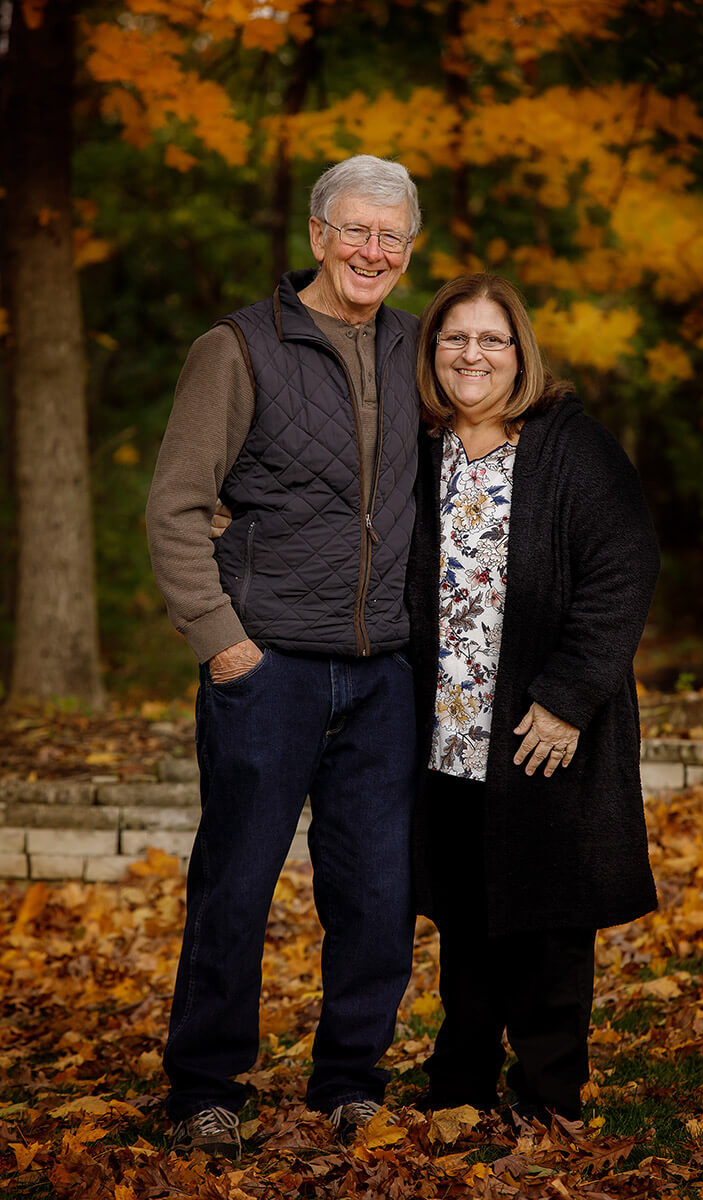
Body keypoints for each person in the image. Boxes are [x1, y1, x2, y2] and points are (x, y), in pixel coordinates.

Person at [146, 155, 422, 1157]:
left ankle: (350, 1079)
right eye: (354, 230)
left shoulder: (415, 349)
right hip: (267, 672)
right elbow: (177, 506)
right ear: (315, 235)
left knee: (376, 891)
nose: (370, 251)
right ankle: (205, 1087)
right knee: (236, 881)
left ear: (409, 250)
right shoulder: (236, 349)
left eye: (390, 236)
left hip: (382, 675)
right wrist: (224, 648)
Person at [405, 274, 660, 1126]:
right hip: (445, 732)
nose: (471, 355)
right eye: (454, 338)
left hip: (537, 728)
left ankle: (550, 1095)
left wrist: (566, 698)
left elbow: (623, 573)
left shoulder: (571, 445)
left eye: (491, 340)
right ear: (431, 351)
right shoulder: (419, 448)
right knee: (466, 918)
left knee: (549, 921)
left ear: (521, 353)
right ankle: (462, 1083)